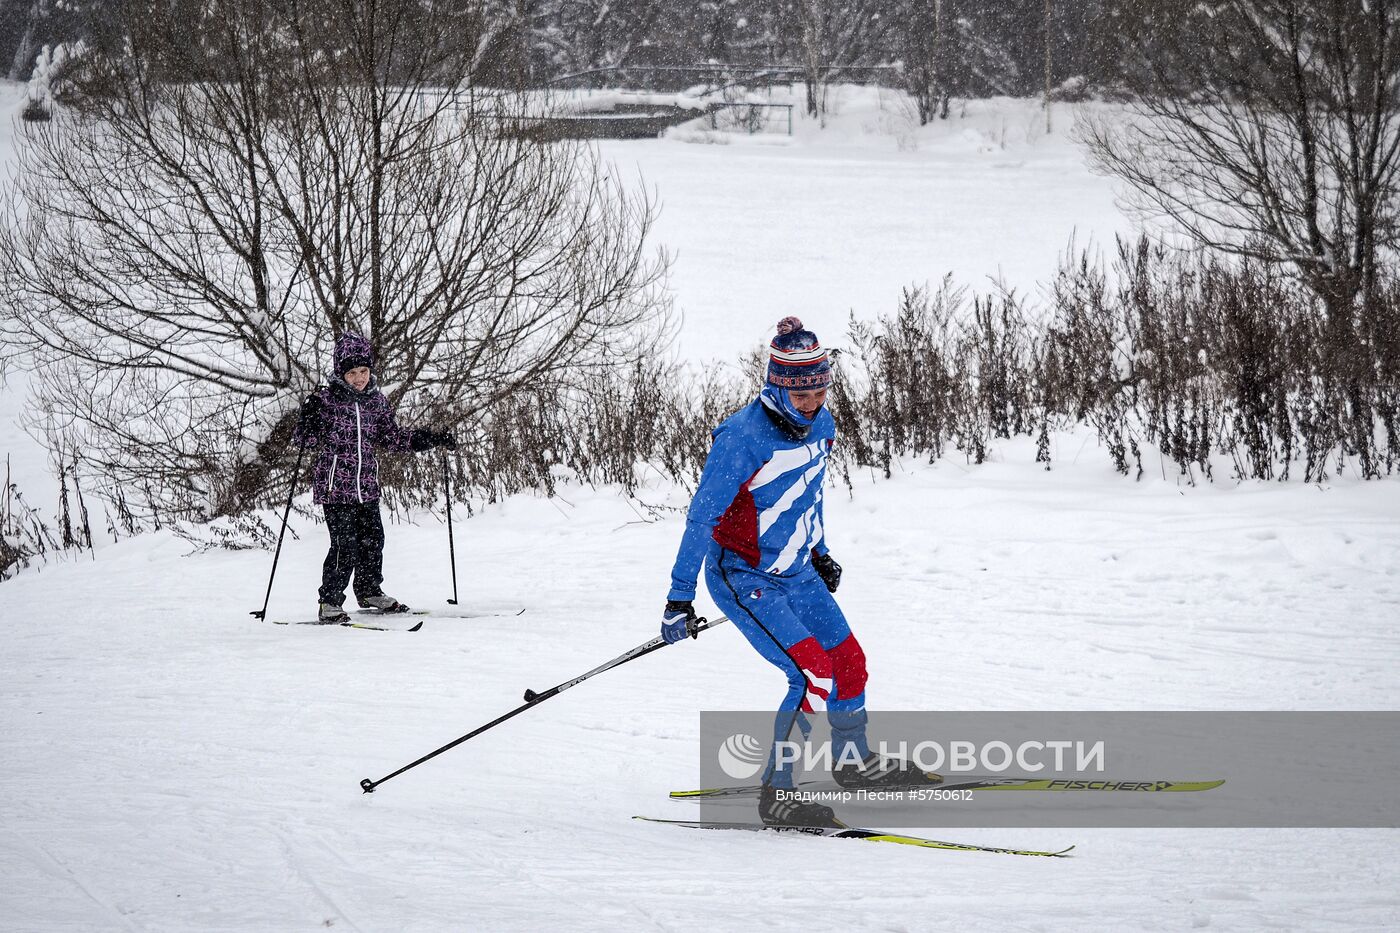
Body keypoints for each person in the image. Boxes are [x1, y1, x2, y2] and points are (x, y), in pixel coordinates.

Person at [662, 317, 936, 828]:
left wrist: (820, 550)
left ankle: (854, 763)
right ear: (776, 385)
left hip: (798, 572)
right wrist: (679, 598)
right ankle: (778, 795)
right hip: (746, 577)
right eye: (802, 394)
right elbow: (701, 519)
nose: (812, 403)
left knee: (849, 663)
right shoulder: (741, 438)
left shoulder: (824, 425)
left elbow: (807, 494)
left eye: (820, 390)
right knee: (812, 671)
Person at [292, 332, 456, 622]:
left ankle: (369, 590)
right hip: (336, 487)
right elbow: (304, 439)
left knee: (372, 539)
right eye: (352, 372)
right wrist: (309, 416)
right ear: (341, 373)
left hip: (366, 486)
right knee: (345, 544)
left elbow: (392, 437)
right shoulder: (327, 401)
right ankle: (329, 602)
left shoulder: (376, 402)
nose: (359, 378)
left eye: (364, 371)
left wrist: (428, 438)